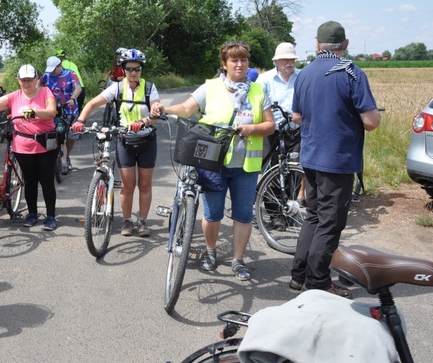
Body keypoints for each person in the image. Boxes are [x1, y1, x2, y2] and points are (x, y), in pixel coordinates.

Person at [153, 41, 274, 280]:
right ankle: (210, 252)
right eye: (234, 60)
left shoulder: (259, 90)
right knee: (212, 213)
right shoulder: (210, 87)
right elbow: (187, 108)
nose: (239, 64)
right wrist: (164, 108)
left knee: (243, 215)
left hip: (246, 165)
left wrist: (252, 128)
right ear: (224, 64)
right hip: (212, 161)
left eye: (243, 60)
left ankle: (238, 260)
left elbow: (270, 125)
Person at [289, 21, 381, 298]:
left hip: (311, 156)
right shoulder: (351, 72)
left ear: (317, 45)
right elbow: (371, 121)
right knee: (330, 222)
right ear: (346, 44)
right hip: (337, 160)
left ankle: (298, 275)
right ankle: (318, 281)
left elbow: (296, 116)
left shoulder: (303, 74)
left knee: (314, 216)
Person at [72, 48, 162, 237]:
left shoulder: (149, 87)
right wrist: (80, 120)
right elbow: (92, 104)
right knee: (128, 186)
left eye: (137, 69)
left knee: (145, 185)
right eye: (129, 69)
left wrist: (147, 119)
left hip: (146, 140)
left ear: (141, 70)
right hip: (125, 141)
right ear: (123, 70)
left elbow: (156, 111)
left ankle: (143, 222)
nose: (133, 73)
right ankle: (127, 221)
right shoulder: (117, 88)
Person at [0, 65, 60, 230]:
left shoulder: (45, 92)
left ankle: (50, 216)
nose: (26, 83)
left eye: (30, 80)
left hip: (44, 146)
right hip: (22, 147)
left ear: (37, 79)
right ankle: (32, 213)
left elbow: (51, 111)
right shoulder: (15, 96)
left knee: (47, 181)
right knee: (29, 181)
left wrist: (35, 112)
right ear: (18, 80)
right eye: (23, 80)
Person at [257, 42, 302, 164]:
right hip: (272, 132)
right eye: (285, 59)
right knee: (272, 168)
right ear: (276, 61)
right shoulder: (264, 80)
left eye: (292, 59)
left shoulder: (302, 77)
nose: (290, 63)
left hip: (296, 131)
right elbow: (257, 104)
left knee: (296, 169)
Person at [41, 55, 81, 174]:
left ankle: (66, 156)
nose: (53, 71)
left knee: (71, 135)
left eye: (55, 69)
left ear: (60, 66)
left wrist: (73, 98)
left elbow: (78, 88)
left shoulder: (70, 74)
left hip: (70, 108)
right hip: (54, 108)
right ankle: (58, 159)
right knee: (54, 133)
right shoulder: (47, 75)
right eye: (51, 69)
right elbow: (38, 86)